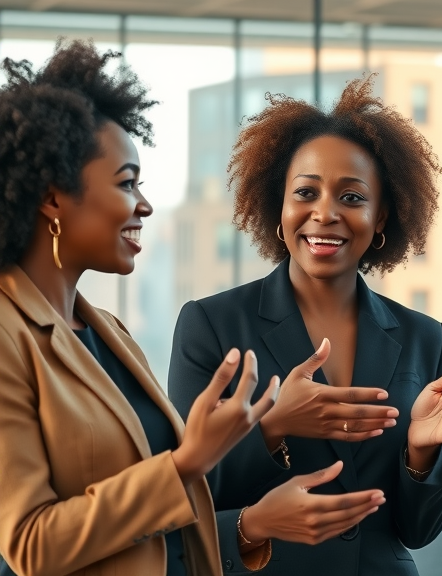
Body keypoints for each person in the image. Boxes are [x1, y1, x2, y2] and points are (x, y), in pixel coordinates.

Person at [168, 76, 442, 575]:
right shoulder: (210, 325)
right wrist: (271, 426)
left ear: (382, 217)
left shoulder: (426, 337)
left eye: (352, 198)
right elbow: (185, 494)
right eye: (306, 192)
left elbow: (420, 530)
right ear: (279, 207)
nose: (325, 213)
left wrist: (420, 455)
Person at [0, 40, 278, 576]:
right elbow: (31, 546)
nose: (144, 205)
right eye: (127, 183)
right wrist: (185, 463)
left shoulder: (110, 333)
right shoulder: (7, 336)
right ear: (53, 197)